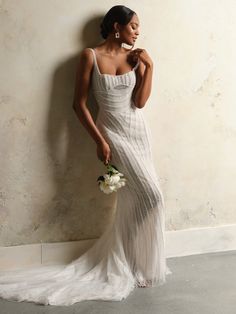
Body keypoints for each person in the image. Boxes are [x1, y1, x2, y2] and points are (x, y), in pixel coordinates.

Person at [0, 5, 171, 306]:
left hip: (137, 131)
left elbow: (140, 103)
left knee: (144, 197)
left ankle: (133, 262)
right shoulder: (89, 56)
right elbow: (79, 104)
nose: (138, 32)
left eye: (138, 27)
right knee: (150, 195)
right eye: (134, 26)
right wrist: (100, 140)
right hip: (112, 132)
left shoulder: (136, 58)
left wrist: (149, 66)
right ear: (117, 27)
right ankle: (127, 261)